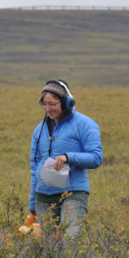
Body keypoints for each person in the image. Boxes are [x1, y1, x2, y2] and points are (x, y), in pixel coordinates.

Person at [28, 80, 103, 237]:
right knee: (50, 247)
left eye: (52, 104)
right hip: (43, 196)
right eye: (44, 104)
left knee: (71, 241)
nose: (48, 109)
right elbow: (35, 167)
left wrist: (68, 157)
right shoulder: (39, 130)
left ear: (66, 102)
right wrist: (32, 202)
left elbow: (96, 158)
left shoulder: (85, 124)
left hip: (73, 192)